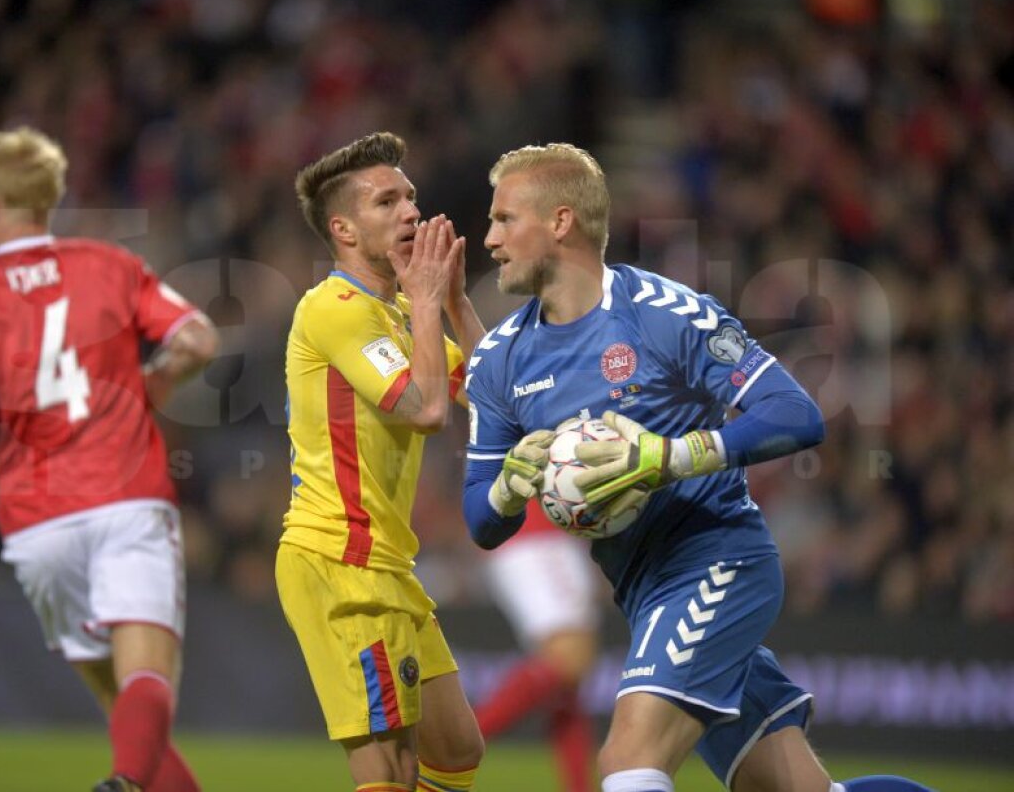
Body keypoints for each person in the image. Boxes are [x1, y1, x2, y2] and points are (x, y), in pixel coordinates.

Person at [460, 143, 933, 792]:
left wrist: (668, 457)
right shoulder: (497, 361)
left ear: (561, 221)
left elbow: (795, 413)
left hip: (716, 559)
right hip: (643, 591)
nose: (488, 238)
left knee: (628, 760)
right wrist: (510, 488)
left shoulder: (664, 313)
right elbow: (478, 518)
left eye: (505, 219)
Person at [0, 127, 218, 792]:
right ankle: (122, 782)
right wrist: (160, 379)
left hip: (36, 517)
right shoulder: (109, 264)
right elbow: (197, 337)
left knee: (123, 712)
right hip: (127, 495)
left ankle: (126, 777)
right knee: (148, 682)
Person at [278, 132, 487, 792]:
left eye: (411, 198)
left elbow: (491, 393)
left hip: (388, 566)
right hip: (341, 562)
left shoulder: (397, 315)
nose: (410, 213)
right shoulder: (334, 309)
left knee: (455, 749)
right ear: (343, 228)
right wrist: (426, 304)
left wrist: (452, 302)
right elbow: (427, 408)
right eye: (387, 201)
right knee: (389, 770)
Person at [473, 497, 601, 792]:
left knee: (568, 685)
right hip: (535, 531)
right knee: (569, 659)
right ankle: (454, 749)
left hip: (548, 532)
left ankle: (580, 788)